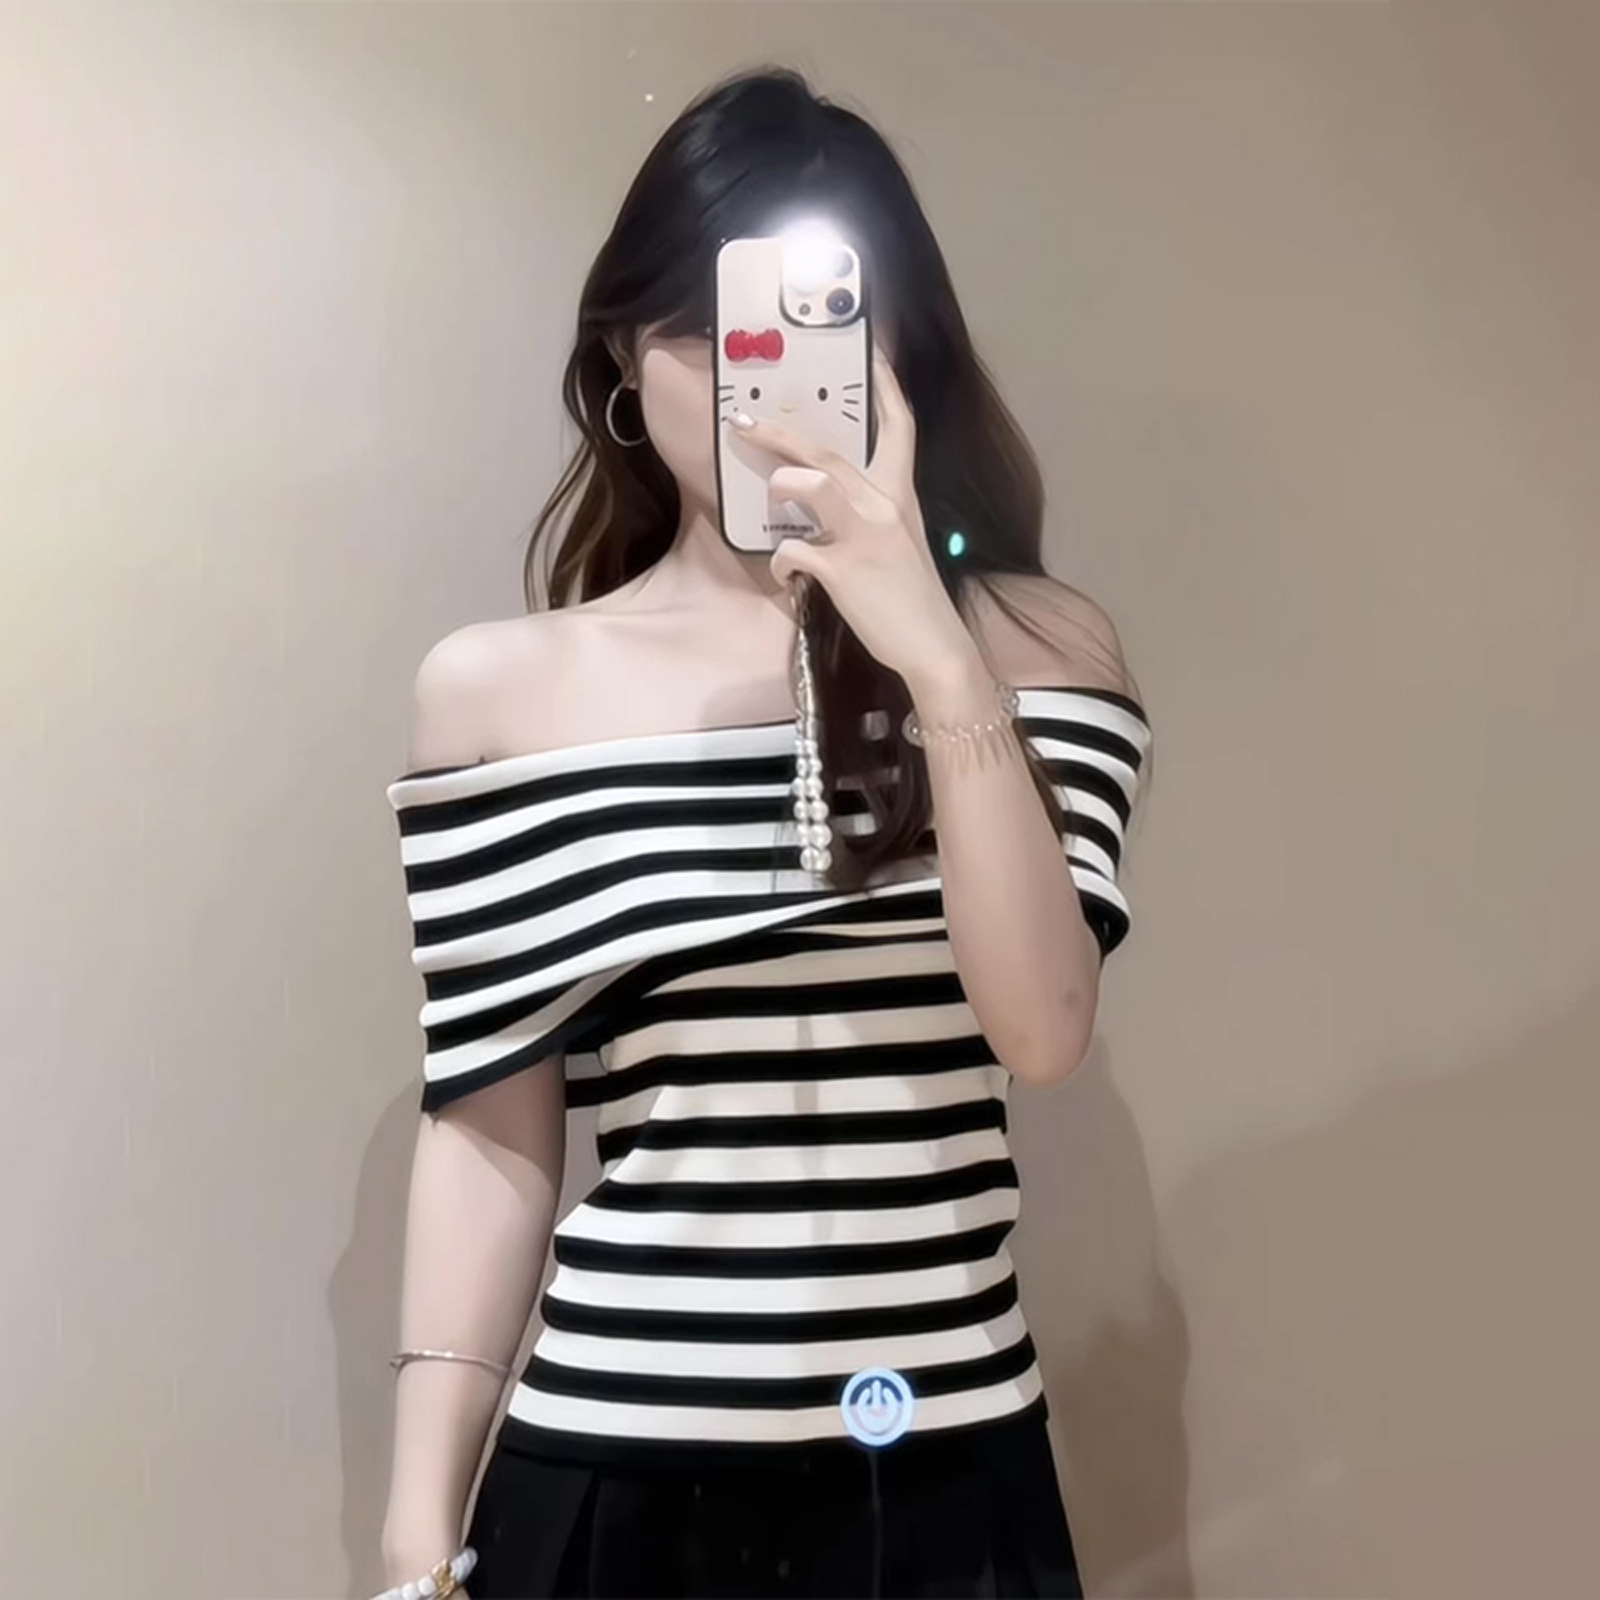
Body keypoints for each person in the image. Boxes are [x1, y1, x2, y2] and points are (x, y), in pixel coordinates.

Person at [376, 66, 1152, 1600]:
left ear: (898, 349)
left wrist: (935, 654)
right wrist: (415, 1533)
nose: (760, 387)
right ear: (623, 354)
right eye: (710, 334)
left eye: (819, 332)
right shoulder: (499, 693)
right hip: (608, 1482)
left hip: (942, 1473)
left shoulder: (1042, 649)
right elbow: (491, 1129)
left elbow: (1042, 1025)